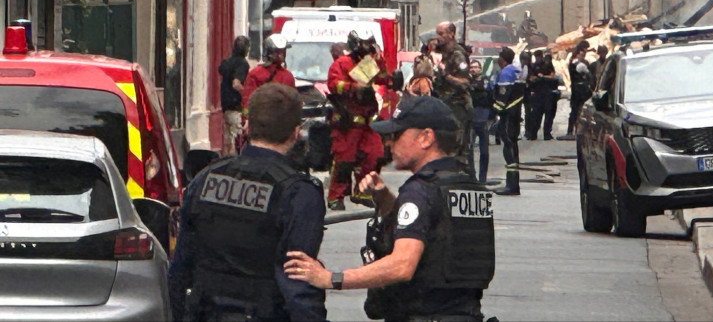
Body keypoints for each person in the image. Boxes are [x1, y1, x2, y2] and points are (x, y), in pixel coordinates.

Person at [283, 96, 495, 322]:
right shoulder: (469, 186)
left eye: (397, 135)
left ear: (426, 137)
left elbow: (402, 265)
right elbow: (436, 233)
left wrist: (331, 278)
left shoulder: (421, 191)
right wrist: (385, 201)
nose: (389, 144)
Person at [168, 83, 326, 322]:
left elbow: (179, 270)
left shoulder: (205, 179)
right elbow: (298, 286)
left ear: (247, 125)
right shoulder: (298, 194)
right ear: (295, 133)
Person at [326, 35, 389, 212]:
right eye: (365, 44)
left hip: (368, 122)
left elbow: (383, 79)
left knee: (375, 155)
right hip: (348, 122)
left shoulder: (370, 62)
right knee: (344, 160)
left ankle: (363, 192)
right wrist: (352, 87)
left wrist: (379, 60)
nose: (368, 48)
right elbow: (333, 85)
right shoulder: (342, 63)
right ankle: (335, 197)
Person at [433, 21, 473, 159]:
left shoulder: (458, 55)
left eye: (441, 33)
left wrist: (446, 75)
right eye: (437, 33)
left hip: (458, 108)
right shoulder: (443, 54)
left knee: (458, 151)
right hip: (445, 107)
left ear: (451, 34)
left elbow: (465, 83)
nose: (437, 37)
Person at [492, 47, 523, 196]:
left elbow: (502, 97)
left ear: (502, 59)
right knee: (513, 146)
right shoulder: (517, 70)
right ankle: (513, 183)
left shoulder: (506, 73)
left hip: (508, 115)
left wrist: (494, 111)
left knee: (508, 147)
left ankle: (511, 185)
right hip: (516, 113)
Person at [242, 33, 296, 110]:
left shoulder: (288, 76)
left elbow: (293, 102)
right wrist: (247, 118)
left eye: (283, 52)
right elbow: (247, 99)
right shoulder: (255, 75)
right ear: (269, 52)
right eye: (278, 52)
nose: (281, 55)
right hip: (261, 119)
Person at [218, 35, 251, 154]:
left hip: (225, 106)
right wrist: (246, 93)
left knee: (227, 141)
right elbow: (236, 84)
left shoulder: (227, 62)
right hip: (236, 106)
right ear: (245, 49)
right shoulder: (242, 64)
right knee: (237, 140)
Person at [467, 58, 495, 184]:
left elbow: (492, 100)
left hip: (483, 119)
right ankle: (471, 176)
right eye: (471, 67)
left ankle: (482, 178)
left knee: (484, 152)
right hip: (470, 120)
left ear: (480, 69)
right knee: (469, 149)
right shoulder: (466, 83)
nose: (474, 69)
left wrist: (492, 117)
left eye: (476, 67)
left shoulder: (487, 82)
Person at [526, 50, 559, 140]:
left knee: (548, 114)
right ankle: (533, 134)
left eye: (539, 57)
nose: (538, 59)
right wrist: (539, 78)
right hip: (537, 93)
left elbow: (552, 76)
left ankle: (547, 133)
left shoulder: (548, 65)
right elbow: (531, 78)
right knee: (537, 115)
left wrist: (542, 77)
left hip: (547, 92)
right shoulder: (532, 66)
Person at [566, 40, 594, 136]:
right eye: (584, 51)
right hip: (577, 89)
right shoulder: (575, 62)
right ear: (580, 51)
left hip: (585, 89)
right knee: (575, 110)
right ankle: (570, 131)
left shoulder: (583, 62)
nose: (585, 53)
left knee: (584, 111)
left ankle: (581, 130)